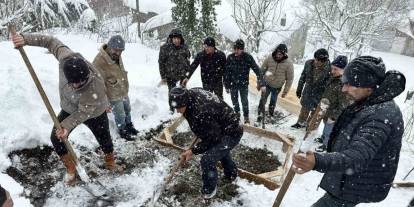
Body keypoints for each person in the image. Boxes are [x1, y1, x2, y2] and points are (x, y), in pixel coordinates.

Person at [292, 56, 405, 207]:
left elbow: (358, 156)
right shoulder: (371, 102)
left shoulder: (380, 115)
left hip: (356, 184)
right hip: (349, 179)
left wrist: (317, 161)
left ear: (368, 87)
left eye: (349, 84)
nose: (344, 89)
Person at [11, 33, 123, 185]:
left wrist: (66, 126)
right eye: (73, 83)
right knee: (56, 138)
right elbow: (50, 41)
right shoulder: (66, 58)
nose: (76, 86)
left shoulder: (94, 85)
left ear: (87, 76)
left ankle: (110, 162)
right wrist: (25, 39)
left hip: (94, 110)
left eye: (80, 83)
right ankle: (71, 167)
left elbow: (84, 112)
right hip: (70, 108)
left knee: (104, 138)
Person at [169, 87, 243, 199]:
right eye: (175, 107)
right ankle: (232, 174)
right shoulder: (191, 94)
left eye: (179, 108)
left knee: (207, 160)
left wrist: (193, 150)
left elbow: (213, 138)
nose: (178, 111)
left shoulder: (200, 112)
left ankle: (209, 191)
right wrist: (202, 130)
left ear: (186, 102)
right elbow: (210, 131)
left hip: (232, 131)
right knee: (220, 151)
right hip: (222, 125)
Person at [93, 35, 138, 141]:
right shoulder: (99, 61)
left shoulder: (116, 55)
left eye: (120, 51)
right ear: (109, 47)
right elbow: (97, 85)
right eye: (115, 50)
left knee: (127, 109)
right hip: (112, 93)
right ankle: (123, 130)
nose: (118, 53)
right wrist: (104, 101)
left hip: (122, 88)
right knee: (120, 114)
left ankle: (129, 125)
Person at [224, 39, 264, 124]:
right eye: (235, 48)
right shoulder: (230, 57)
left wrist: (260, 80)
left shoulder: (248, 57)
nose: (236, 51)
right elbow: (226, 72)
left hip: (243, 84)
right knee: (235, 101)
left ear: (242, 49)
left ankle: (246, 116)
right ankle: (237, 114)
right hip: (232, 84)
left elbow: (257, 69)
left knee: (244, 101)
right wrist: (226, 85)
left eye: (238, 49)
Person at [316, 55, 351, 151]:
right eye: (332, 68)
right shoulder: (333, 77)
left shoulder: (343, 84)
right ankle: (323, 139)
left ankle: (326, 145)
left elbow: (344, 104)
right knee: (325, 127)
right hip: (327, 109)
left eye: (335, 69)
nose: (332, 71)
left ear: (343, 70)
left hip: (333, 113)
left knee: (329, 131)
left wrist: (334, 116)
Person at [292, 48, 331, 129]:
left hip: (319, 94)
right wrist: (299, 88)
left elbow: (329, 85)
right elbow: (303, 77)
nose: (317, 62)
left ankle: (310, 126)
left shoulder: (329, 69)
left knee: (315, 112)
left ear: (324, 61)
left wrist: (326, 97)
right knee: (304, 109)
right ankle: (300, 123)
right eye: (316, 59)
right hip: (308, 91)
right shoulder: (308, 63)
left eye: (320, 61)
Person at [257, 44, 294, 122]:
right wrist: (259, 83)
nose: (278, 55)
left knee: (273, 101)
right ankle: (260, 113)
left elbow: (290, 79)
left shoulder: (289, 63)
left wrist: (285, 91)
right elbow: (262, 71)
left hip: (277, 86)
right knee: (263, 98)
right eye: (278, 53)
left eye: (281, 54)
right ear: (276, 52)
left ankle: (270, 114)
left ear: (284, 54)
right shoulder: (269, 58)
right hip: (267, 83)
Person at [158, 29, 191, 111]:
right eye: (174, 38)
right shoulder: (165, 48)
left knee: (183, 92)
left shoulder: (184, 47)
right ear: (171, 39)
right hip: (170, 75)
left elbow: (188, 60)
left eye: (178, 38)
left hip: (182, 75)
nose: (176, 40)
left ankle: (183, 108)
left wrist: (187, 74)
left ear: (181, 39)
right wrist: (163, 76)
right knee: (172, 93)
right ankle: (172, 109)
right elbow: (161, 63)